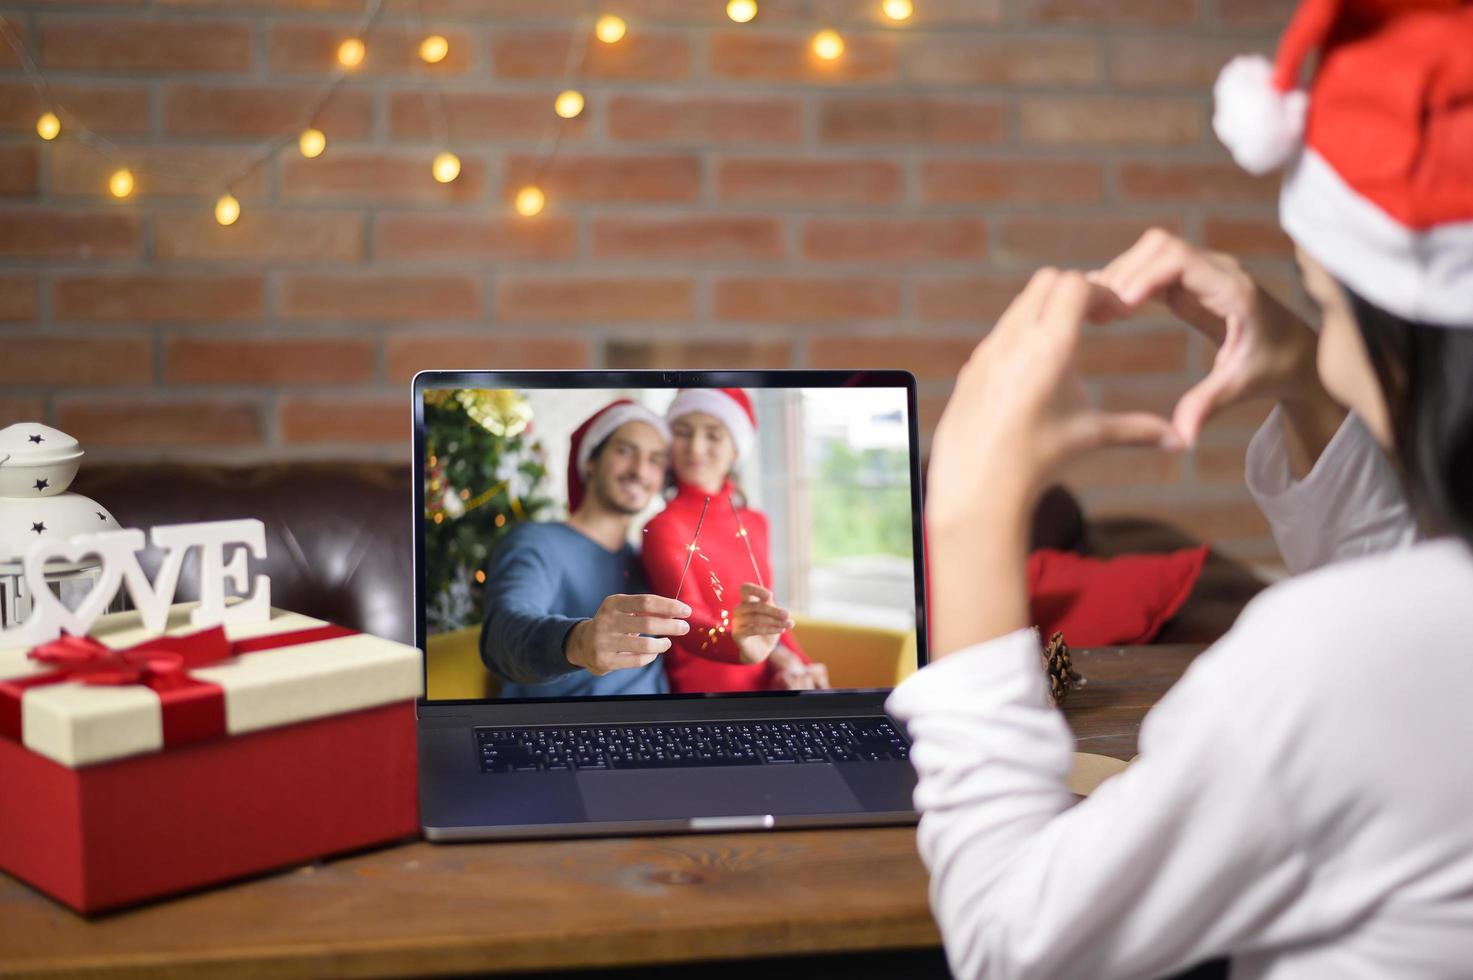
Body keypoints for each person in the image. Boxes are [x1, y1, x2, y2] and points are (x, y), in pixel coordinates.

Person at [886, 2, 1473, 977]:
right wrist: (1305, 377)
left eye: (1324, 306)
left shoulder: (1321, 667)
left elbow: (1005, 935)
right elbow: (1411, 619)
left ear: (1417, 347)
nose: (1321, 339)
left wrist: (968, 511)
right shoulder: (1398, 645)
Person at [481, 399, 691, 699]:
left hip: (657, 731)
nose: (639, 470)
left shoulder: (647, 560)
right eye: (624, 451)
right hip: (563, 733)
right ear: (591, 460)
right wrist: (579, 642)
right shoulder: (536, 543)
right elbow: (501, 636)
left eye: (655, 460)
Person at [640, 388, 830, 693]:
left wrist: (798, 664)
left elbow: (767, 612)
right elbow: (685, 620)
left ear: (735, 451)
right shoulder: (663, 527)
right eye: (682, 432)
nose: (696, 448)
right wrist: (745, 647)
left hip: (765, 673)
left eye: (713, 435)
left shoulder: (755, 522)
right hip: (706, 691)